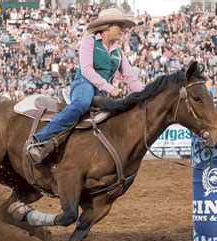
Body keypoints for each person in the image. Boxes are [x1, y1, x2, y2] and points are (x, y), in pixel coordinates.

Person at [28, 8, 144, 163]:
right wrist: (110, 88)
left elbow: (130, 78)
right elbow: (87, 70)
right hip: (83, 83)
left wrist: (146, 93)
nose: (123, 29)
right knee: (82, 103)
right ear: (107, 26)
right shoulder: (89, 42)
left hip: (101, 91)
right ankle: (40, 140)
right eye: (119, 25)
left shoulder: (119, 53)